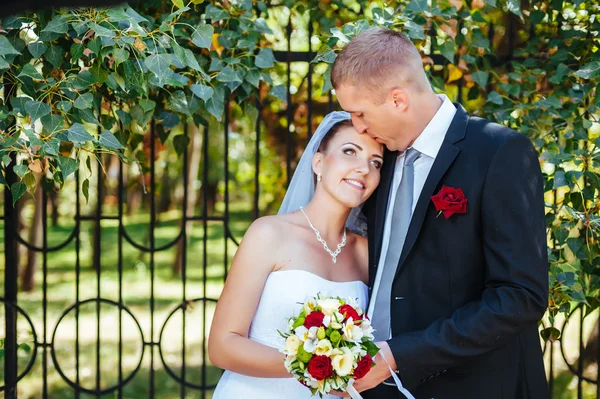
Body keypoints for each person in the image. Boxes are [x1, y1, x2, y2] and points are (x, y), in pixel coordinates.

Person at [329, 27, 549, 399]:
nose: (358, 126)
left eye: (360, 113)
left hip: (474, 385)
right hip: (376, 386)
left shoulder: (499, 152)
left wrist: (402, 354)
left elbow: (520, 295)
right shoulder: (380, 162)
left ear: (398, 100)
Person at [208, 112, 388, 398]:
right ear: (318, 163)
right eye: (350, 151)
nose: (363, 168)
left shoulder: (367, 254)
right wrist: (316, 363)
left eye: (375, 162)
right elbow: (222, 346)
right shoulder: (268, 234)